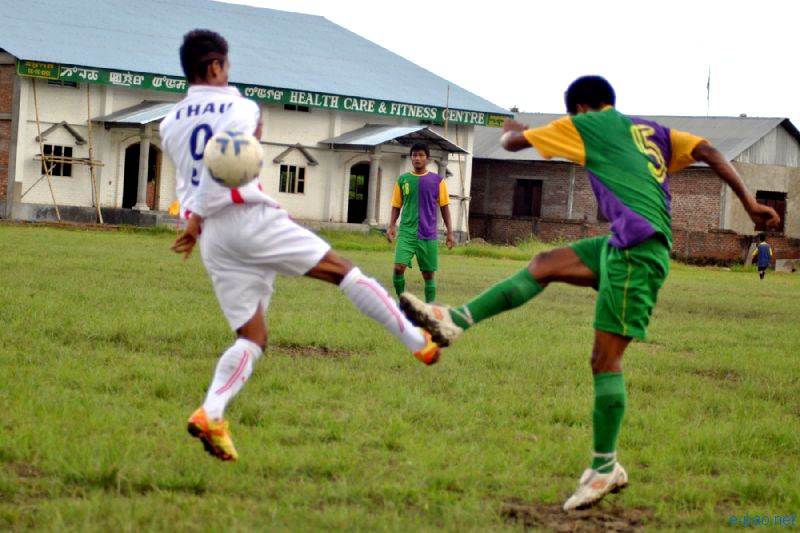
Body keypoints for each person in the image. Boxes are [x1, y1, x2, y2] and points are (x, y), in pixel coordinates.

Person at [399, 75, 781, 511]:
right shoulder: (652, 132)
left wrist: (512, 129)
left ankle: (605, 468)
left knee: (605, 360)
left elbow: (513, 144)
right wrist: (749, 203)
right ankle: (454, 321)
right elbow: (708, 151)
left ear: (579, 108)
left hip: (637, 253)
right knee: (544, 264)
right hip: (624, 244)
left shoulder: (587, 124)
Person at [160, 29, 442, 462]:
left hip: (212, 236)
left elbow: (195, 180)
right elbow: (231, 165)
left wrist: (196, 221)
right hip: (249, 218)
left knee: (252, 337)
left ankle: (211, 412)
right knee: (343, 271)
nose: (229, 72)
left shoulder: (169, 123)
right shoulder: (241, 107)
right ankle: (416, 340)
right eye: (227, 65)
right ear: (215, 66)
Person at [386, 143, 456, 303]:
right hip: (406, 233)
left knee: (428, 275)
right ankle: (402, 303)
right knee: (398, 268)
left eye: (421, 155)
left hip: (428, 234)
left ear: (428, 159)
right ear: (411, 158)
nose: (417, 158)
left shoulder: (438, 181)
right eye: (414, 155)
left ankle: (429, 307)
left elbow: (445, 208)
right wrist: (391, 226)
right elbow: (396, 205)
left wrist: (450, 233)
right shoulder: (403, 180)